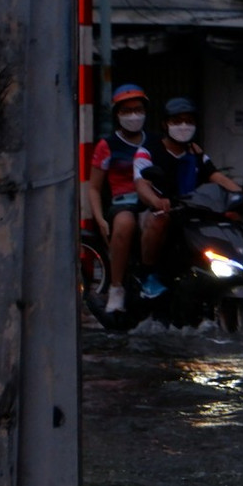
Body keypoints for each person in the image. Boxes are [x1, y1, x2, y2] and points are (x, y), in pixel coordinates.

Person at [133, 97, 243, 296]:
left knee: (232, 218)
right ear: (165, 124)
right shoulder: (148, 151)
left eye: (188, 121)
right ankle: (149, 274)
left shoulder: (196, 152)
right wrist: (156, 201)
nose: (183, 126)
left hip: (194, 210)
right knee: (159, 220)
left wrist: (242, 195)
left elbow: (216, 176)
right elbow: (141, 184)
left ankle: (238, 269)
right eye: (177, 121)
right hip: (159, 210)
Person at [87, 84, 165, 314]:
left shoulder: (156, 141)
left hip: (153, 201)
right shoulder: (107, 145)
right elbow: (93, 187)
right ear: (117, 115)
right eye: (127, 111)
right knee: (125, 225)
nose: (134, 115)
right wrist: (100, 219)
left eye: (138, 109)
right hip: (123, 203)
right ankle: (116, 287)